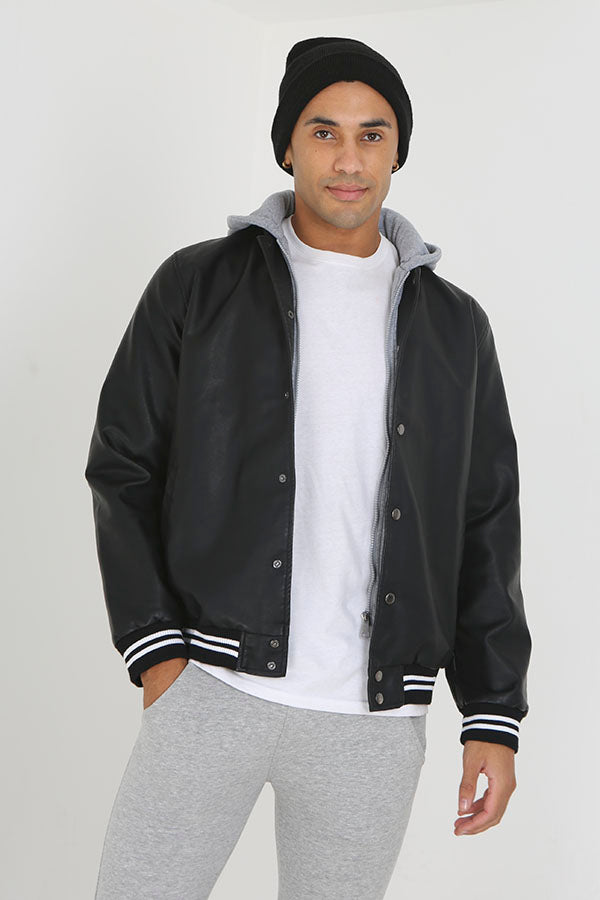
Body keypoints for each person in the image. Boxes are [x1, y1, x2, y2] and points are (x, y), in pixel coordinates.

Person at [85, 36, 532, 900]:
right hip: (212, 683)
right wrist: (160, 655)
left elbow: (486, 518)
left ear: (398, 150)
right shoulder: (198, 285)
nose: (349, 160)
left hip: (374, 719)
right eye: (324, 132)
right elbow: (124, 466)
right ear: (287, 146)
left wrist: (492, 713)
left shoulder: (455, 327)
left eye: (372, 135)